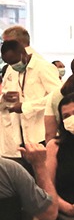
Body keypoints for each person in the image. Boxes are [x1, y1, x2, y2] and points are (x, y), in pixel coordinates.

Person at [0, 37, 60, 165]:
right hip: (17, 137)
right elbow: (5, 93)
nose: (13, 66)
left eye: (14, 61)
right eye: (9, 63)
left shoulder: (43, 67)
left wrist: (27, 107)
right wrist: (4, 99)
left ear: (23, 53)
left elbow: (57, 95)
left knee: (40, 177)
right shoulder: (11, 69)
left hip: (40, 134)